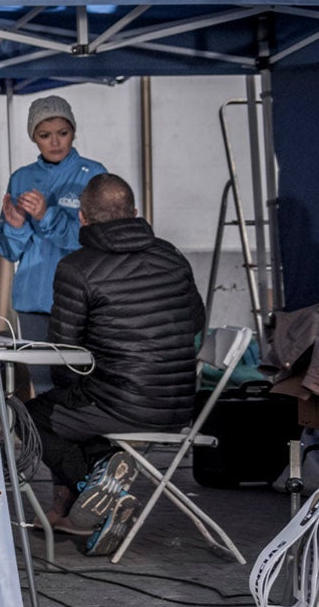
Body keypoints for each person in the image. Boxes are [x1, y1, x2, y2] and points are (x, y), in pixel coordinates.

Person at [30, 173, 206, 556]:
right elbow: (196, 325)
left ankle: (92, 490)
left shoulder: (77, 268)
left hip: (118, 406)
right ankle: (98, 486)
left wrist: (71, 390)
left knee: (30, 417)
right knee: (77, 409)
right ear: (135, 213)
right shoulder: (171, 256)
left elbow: (64, 355)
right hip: (178, 407)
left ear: (82, 218)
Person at [0, 96, 107, 392]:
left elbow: (93, 240)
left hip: (79, 296)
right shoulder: (21, 178)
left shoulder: (93, 175)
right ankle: (50, 439)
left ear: (74, 132)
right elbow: (8, 251)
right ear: (34, 138)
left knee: (81, 379)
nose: (55, 142)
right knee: (42, 382)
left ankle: (82, 438)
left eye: (63, 133)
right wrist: (16, 227)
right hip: (33, 297)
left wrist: (46, 215)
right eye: (45, 135)